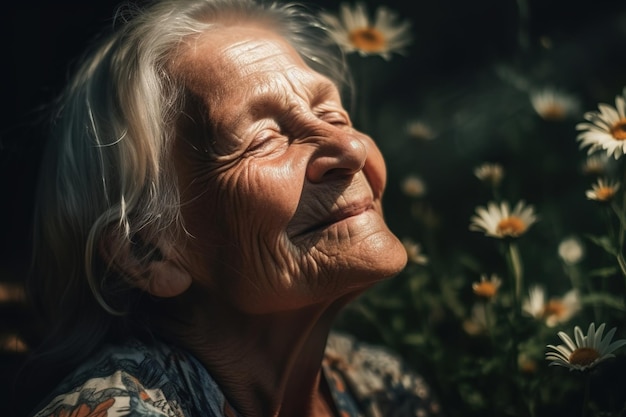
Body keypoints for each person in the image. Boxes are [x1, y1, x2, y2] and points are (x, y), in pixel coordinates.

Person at [19, 0, 444, 415]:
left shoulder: (383, 387)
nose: (350, 148)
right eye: (263, 139)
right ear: (147, 252)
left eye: (333, 116)